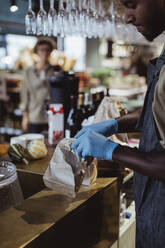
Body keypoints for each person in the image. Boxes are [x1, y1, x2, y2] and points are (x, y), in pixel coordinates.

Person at [72, 1, 165, 247]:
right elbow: (155, 112)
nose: (126, 17)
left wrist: (112, 150)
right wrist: (113, 124)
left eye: (132, 5)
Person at [20, 39, 55, 133]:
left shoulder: (55, 70)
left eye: (47, 49)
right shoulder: (28, 72)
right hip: (34, 116)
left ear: (51, 51)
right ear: (36, 51)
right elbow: (24, 95)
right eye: (42, 49)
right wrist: (25, 117)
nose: (45, 52)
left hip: (52, 115)